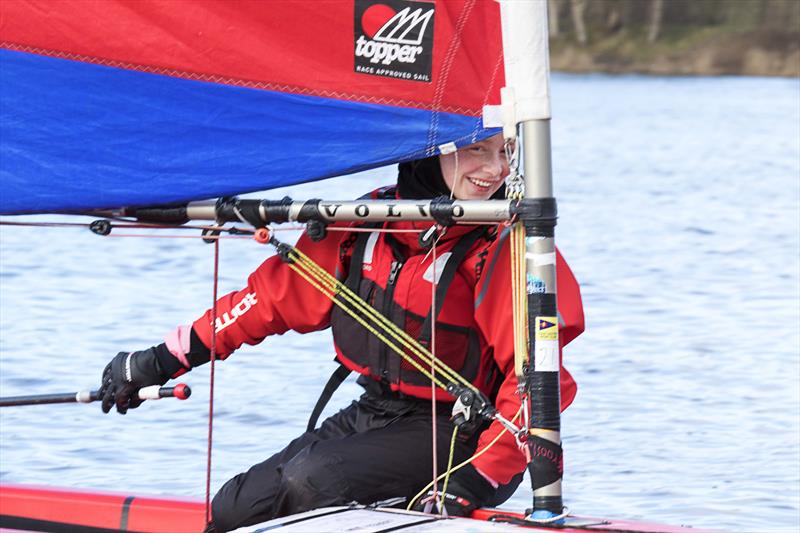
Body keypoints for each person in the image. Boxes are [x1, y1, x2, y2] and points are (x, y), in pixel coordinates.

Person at [98, 133, 584, 532]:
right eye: (478, 149)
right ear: (430, 151)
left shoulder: (507, 248)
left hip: (465, 437)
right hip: (374, 412)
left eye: (506, 153)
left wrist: (475, 480)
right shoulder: (364, 224)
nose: (495, 170)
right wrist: (159, 361)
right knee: (235, 508)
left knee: (315, 480)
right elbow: (263, 304)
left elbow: (538, 387)